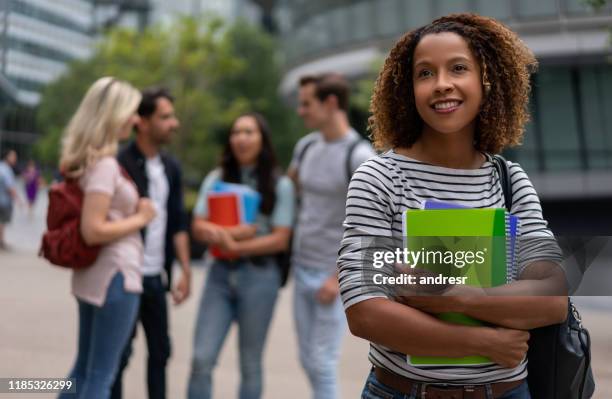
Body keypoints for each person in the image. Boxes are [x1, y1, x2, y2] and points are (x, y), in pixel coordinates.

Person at [337, 14, 568, 399]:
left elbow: (554, 297)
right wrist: (484, 342)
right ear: (407, 89)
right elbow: (365, 312)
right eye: (424, 74)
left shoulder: (510, 181)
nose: (442, 84)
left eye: (458, 68)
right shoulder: (379, 179)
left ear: (486, 79)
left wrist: (456, 298)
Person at [58, 77, 156, 399]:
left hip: (95, 276)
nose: (136, 120)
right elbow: (93, 229)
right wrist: (140, 218)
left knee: (84, 371)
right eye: (131, 112)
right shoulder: (105, 166)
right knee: (101, 376)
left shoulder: (89, 162)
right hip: (115, 275)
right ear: (113, 115)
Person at [188, 112, 295, 399]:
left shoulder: (279, 184)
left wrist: (238, 246)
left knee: (250, 363)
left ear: (263, 139)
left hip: (260, 278)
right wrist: (232, 235)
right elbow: (198, 225)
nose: (241, 138)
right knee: (201, 359)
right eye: (236, 132)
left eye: (249, 132)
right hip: (219, 275)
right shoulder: (216, 178)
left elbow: (281, 238)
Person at [287, 73, 375, 399]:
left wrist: (338, 278)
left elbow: (371, 227)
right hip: (301, 268)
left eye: (306, 104)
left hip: (332, 278)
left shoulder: (360, 156)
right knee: (308, 360)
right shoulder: (306, 146)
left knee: (322, 363)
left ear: (331, 103)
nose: (300, 111)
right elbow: (290, 193)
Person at [112, 87, 191, 399]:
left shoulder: (171, 167)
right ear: (142, 122)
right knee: (117, 357)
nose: (175, 123)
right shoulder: (120, 163)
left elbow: (177, 222)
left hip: (156, 278)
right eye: (166, 116)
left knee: (160, 353)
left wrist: (185, 269)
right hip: (124, 277)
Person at [0, 149, 18, 249]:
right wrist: (18, 200)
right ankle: (1, 241)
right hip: (3, 201)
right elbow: (9, 186)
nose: (15, 159)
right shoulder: (6, 169)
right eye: (13, 156)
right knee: (2, 221)